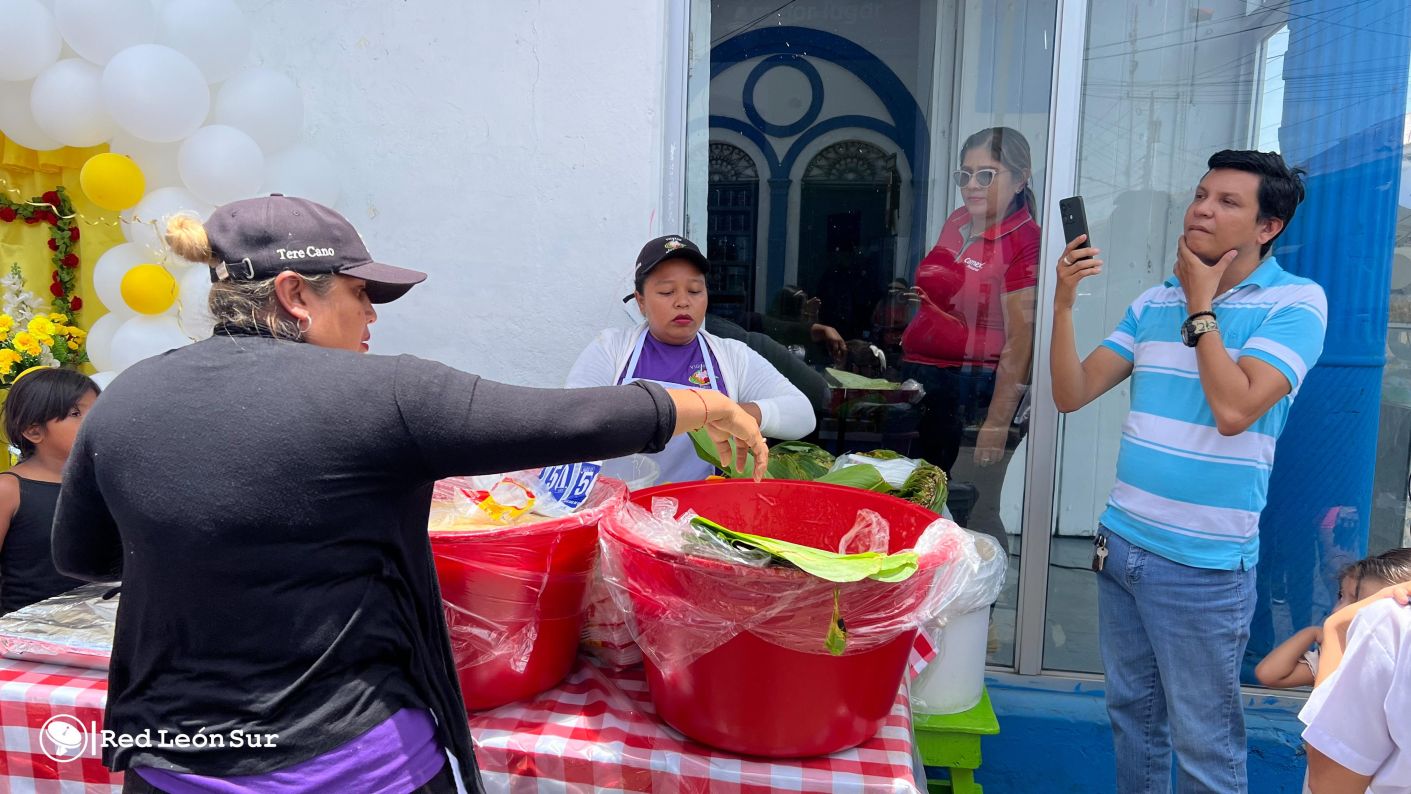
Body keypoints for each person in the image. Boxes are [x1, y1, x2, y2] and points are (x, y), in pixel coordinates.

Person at [51, 196, 769, 794]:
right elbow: (563, 419)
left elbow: (83, 556)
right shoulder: (384, 393)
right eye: (362, 294)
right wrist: (708, 407)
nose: (373, 316)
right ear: (295, 294)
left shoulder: (124, 399)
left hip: (170, 766)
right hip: (353, 767)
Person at [1051, 149, 1326, 793]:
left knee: (1205, 744)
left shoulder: (1296, 302)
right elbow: (1071, 392)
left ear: (1268, 228)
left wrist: (1202, 305)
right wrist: (1064, 304)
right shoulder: (1154, 301)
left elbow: (1234, 408)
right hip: (1121, 546)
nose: (1203, 208)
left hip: (1202, 566)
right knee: (1133, 722)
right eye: (1201, 194)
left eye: (1229, 202)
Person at [567, 235, 814, 484]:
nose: (683, 302)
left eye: (695, 290)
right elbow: (577, 418)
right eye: (667, 291)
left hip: (697, 514)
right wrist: (697, 410)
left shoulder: (732, 356)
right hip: (624, 509)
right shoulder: (611, 349)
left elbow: (803, 414)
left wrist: (734, 414)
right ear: (640, 301)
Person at [899, 127, 1040, 548]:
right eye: (965, 175)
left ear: (1021, 179)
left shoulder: (1023, 241)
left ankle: (983, 608)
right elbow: (955, 294)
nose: (972, 186)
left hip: (974, 386)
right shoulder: (959, 221)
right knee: (921, 502)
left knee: (972, 507)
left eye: (986, 175)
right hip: (928, 381)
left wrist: (996, 423)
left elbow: (1021, 338)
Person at [1299, 578, 1411, 793]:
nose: (1350, 609)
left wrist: (1335, 630)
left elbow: (1329, 785)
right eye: (1341, 596)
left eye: (1359, 600)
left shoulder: (1394, 621)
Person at [0, 367, 96, 614]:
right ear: (34, 431)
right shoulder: (8, 489)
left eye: (98, 410)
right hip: (25, 640)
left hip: (95, 635)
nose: (94, 420)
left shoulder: (101, 484)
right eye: (75, 413)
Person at [1255, 548, 1411, 688]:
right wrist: (1312, 633)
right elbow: (1268, 674)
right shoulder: (1338, 653)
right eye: (1341, 596)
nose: (1338, 610)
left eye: (1356, 601)